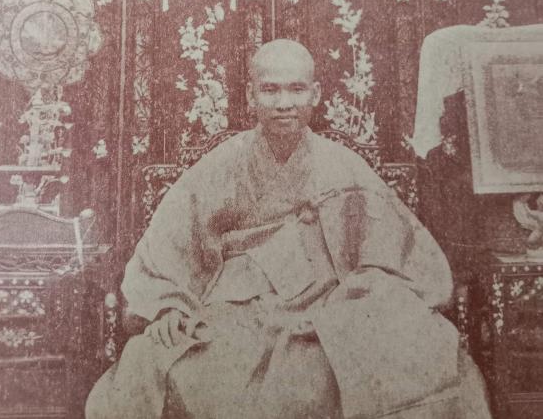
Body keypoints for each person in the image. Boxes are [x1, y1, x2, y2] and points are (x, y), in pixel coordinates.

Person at [87, 39, 492, 419]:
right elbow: (170, 243)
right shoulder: (223, 164)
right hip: (241, 310)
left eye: (297, 89)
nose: (284, 103)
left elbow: (399, 251)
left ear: (316, 94)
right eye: (270, 90)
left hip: (326, 305)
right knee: (152, 359)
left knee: (425, 346)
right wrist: (169, 304)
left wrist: (358, 298)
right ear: (250, 96)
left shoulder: (342, 164)